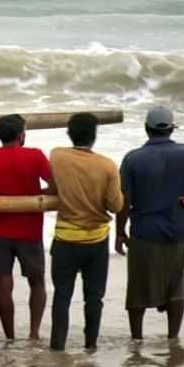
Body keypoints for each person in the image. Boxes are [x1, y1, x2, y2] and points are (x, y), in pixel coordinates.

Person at [115, 106, 184, 340]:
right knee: (175, 286)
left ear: (146, 129)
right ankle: (172, 337)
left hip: (143, 231)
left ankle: (137, 339)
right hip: (176, 229)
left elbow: (124, 200)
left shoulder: (133, 159)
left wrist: (119, 232)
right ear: (171, 128)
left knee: (138, 289)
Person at [47, 112, 123, 351]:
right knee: (94, 297)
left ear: (69, 133)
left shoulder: (57, 156)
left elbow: (53, 185)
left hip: (66, 238)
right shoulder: (108, 165)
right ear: (94, 136)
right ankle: (90, 345)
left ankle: (57, 346)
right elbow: (116, 205)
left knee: (62, 296)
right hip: (96, 240)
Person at [0, 113, 52, 341]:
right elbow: (56, 185)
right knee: (37, 281)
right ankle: (34, 333)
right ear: (21, 135)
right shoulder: (35, 155)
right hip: (30, 229)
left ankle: (9, 337)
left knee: (3, 286)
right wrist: (38, 194)